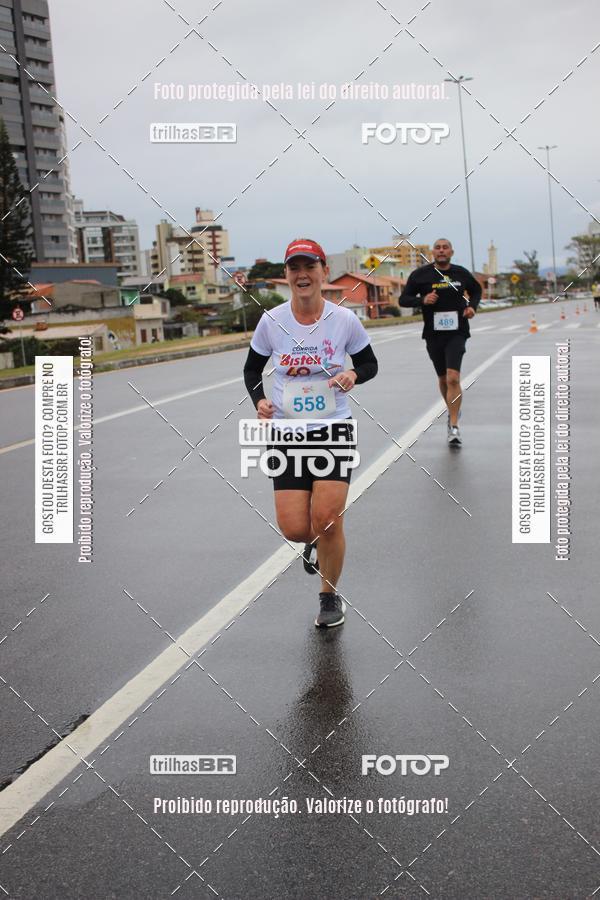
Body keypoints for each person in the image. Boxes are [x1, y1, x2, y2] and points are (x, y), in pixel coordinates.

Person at [243, 238, 378, 627]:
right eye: (294, 268)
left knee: (329, 517)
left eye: (310, 267)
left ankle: (329, 596)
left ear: (323, 272)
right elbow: (252, 371)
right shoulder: (272, 322)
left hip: (333, 427)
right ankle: (315, 543)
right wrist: (260, 401)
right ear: (286, 276)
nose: (302, 275)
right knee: (296, 528)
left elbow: (369, 363)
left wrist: (353, 373)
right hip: (287, 433)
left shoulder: (343, 320)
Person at [399, 238, 481, 446]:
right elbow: (403, 299)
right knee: (444, 379)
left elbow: (477, 290)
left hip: (457, 332)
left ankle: (454, 426)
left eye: (445, 248)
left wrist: (472, 307)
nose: (442, 251)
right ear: (433, 252)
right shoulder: (420, 275)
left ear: (451, 252)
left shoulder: (461, 273)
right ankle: (453, 410)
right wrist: (422, 300)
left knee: (453, 378)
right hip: (433, 334)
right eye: (438, 247)